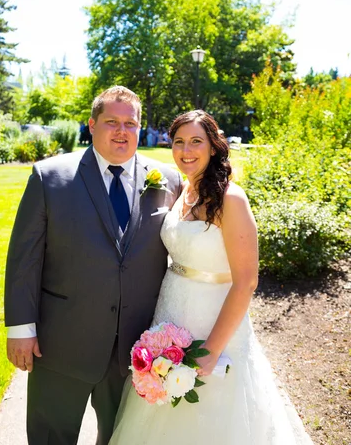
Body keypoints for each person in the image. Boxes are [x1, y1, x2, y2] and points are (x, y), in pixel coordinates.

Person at [110, 110, 314, 445]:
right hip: (170, 316)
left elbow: (246, 281)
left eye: (195, 142)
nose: (185, 150)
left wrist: (213, 349)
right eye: (178, 142)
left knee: (212, 410)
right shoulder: (182, 193)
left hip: (213, 320)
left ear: (214, 147)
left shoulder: (231, 199)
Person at [4, 86, 182, 445]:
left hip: (137, 351)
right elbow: (25, 258)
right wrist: (21, 328)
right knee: (51, 435)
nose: (121, 131)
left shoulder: (169, 180)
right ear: (91, 124)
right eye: (111, 121)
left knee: (122, 438)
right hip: (61, 345)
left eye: (130, 123)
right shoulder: (49, 177)